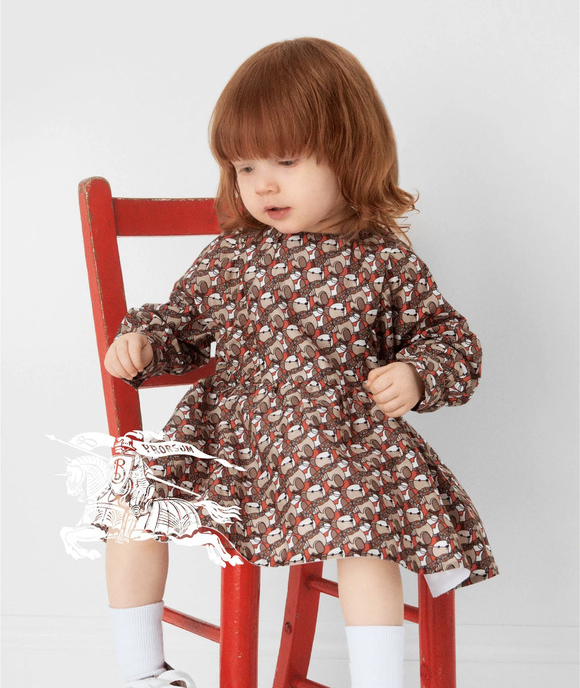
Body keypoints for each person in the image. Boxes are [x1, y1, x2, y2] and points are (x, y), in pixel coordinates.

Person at [93, 37, 499, 688]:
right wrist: (145, 341)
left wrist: (417, 374)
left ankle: (378, 679)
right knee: (133, 505)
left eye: (285, 160)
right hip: (232, 437)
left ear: (350, 153)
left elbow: (449, 340)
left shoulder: (382, 260)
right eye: (244, 167)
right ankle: (143, 671)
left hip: (336, 441)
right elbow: (184, 322)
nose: (264, 184)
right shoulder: (233, 255)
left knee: (366, 531)